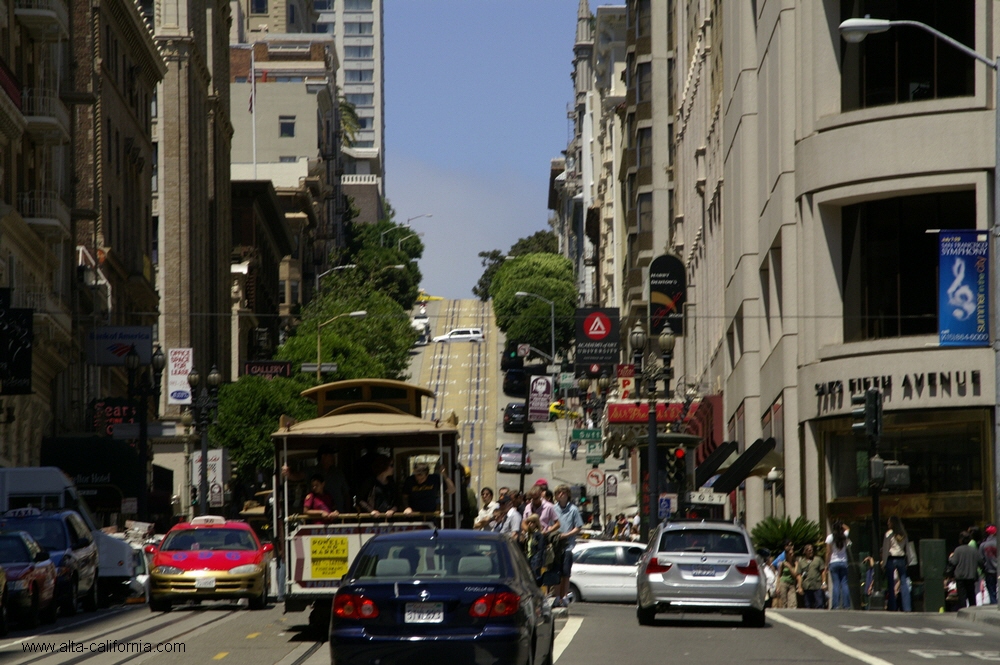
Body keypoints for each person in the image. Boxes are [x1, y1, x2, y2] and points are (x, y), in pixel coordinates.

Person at [282, 444, 353, 513]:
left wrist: (348, 513)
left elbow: (346, 493)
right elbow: (298, 476)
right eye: (331, 455)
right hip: (318, 519)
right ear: (323, 456)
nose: (333, 457)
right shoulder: (312, 471)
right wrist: (288, 474)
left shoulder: (338, 473)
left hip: (338, 515)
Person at [552, 484, 584, 607]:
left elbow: (578, 527)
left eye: (564, 492)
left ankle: (564, 596)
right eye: (559, 493)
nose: (562, 495)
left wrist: (566, 535)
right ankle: (556, 596)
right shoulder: (553, 509)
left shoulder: (573, 509)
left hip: (568, 546)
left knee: (565, 573)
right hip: (556, 546)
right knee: (556, 572)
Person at [882, 515, 912, 612]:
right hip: (901, 558)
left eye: (889, 522)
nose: (887, 523)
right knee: (904, 582)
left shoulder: (889, 534)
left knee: (891, 584)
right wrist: (908, 560)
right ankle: (907, 607)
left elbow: (886, 549)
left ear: (892, 523)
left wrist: (884, 562)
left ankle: (892, 606)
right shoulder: (903, 534)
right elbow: (907, 548)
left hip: (891, 558)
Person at [949, 531, 984, 609]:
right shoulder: (974, 550)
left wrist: (950, 557)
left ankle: (963, 609)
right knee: (971, 594)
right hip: (971, 576)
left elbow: (954, 562)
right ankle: (973, 609)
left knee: (962, 596)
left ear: (960, 540)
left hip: (960, 576)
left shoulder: (958, 550)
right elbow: (981, 562)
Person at [826, 521, 852, 610]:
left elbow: (828, 552)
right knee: (844, 584)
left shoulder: (830, 537)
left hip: (833, 562)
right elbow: (848, 528)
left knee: (836, 584)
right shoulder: (844, 536)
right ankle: (846, 605)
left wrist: (826, 564)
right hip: (843, 561)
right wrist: (842, 524)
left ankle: (835, 605)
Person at [799, 543, 826, 608]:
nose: (811, 551)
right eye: (808, 550)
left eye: (811, 550)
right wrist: (800, 587)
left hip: (817, 586)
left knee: (820, 604)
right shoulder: (801, 562)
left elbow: (823, 572)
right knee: (808, 605)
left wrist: (824, 583)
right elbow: (799, 576)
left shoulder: (818, 560)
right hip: (807, 586)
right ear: (805, 552)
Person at [775, 540, 800, 609]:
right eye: (790, 554)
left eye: (792, 554)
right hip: (783, 583)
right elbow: (779, 575)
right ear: (786, 555)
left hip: (791, 584)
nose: (791, 555)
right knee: (783, 602)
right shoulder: (782, 563)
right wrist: (777, 586)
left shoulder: (795, 563)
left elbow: (795, 575)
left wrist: (789, 567)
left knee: (793, 603)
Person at [980, 524, 997, 605]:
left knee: (991, 590)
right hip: (998, 570)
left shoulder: (983, 545)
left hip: (989, 570)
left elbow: (980, 559)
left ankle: (994, 604)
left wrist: (984, 568)